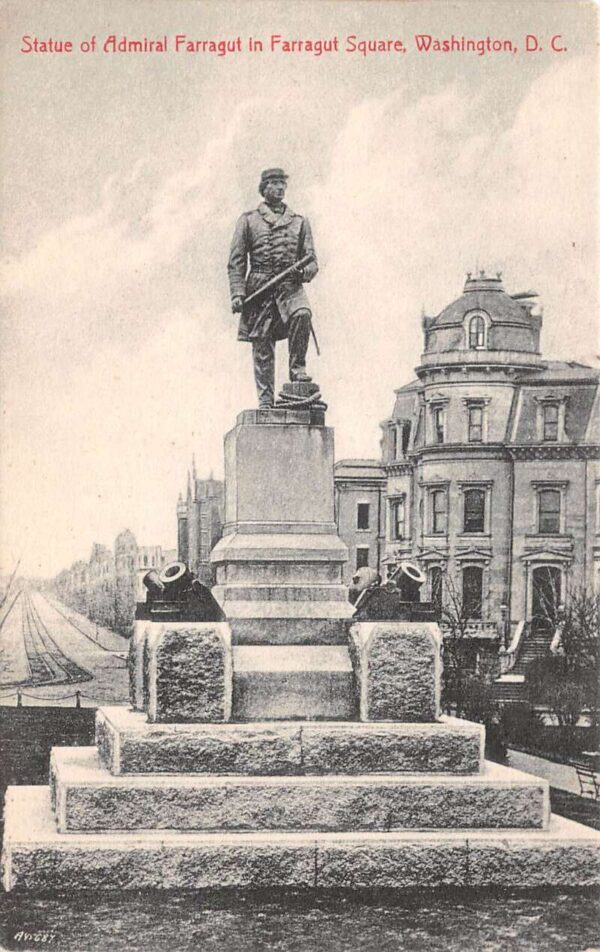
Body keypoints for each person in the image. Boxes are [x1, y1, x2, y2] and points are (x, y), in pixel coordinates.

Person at [228, 168, 319, 408]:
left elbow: (311, 260)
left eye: (282, 184)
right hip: (260, 287)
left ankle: (297, 369)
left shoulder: (300, 222)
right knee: (263, 344)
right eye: (274, 183)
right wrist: (238, 293)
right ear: (264, 188)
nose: (279, 188)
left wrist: (304, 272)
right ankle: (266, 400)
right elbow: (237, 261)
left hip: (290, 287)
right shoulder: (248, 220)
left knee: (303, 315)